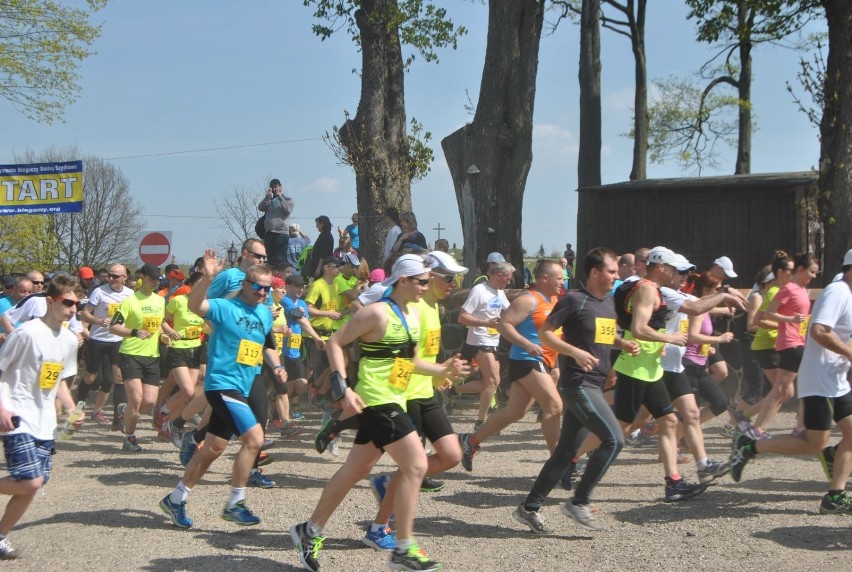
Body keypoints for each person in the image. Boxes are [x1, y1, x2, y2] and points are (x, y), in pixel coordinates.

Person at [290, 254, 468, 572]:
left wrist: (443, 370)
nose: (425, 287)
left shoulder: (411, 314)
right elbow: (335, 342)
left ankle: (309, 530)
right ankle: (403, 548)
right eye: (422, 281)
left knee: (355, 469)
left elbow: (409, 363)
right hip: (376, 399)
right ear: (403, 280)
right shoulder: (376, 313)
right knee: (415, 465)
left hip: (396, 398)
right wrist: (342, 386)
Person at [159, 250, 286, 529]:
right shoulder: (224, 307)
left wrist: (276, 366)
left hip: (245, 383)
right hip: (223, 384)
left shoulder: (265, 314)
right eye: (258, 287)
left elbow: (266, 346)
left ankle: (175, 499)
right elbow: (195, 306)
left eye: (268, 288)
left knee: (213, 449)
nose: (264, 292)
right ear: (245, 285)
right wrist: (207, 277)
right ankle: (235, 503)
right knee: (254, 439)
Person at [514, 248, 637, 533]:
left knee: (565, 452)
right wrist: (575, 353)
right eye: (611, 272)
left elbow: (603, 336)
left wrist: (623, 344)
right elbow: (546, 333)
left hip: (595, 382)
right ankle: (578, 502)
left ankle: (529, 508)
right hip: (577, 383)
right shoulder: (574, 300)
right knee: (614, 439)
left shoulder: (606, 302)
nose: (615, 277)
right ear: (595, 272)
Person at [730, 249, 852, 516]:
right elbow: (819, 331)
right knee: (812, 442)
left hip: (836, 378)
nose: (813, 276)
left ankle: (835, 494)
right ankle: (750, 445)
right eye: (810, 271)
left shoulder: (846, 294)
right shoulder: (838, 292)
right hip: (820, 378)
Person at [362, 251, 468, 551]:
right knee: (412, 466)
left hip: (426, 393)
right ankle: (378, 529)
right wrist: (434, 372)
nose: (453, 283)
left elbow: (427, 354)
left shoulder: (434, 308)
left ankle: (388, 485)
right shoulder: (413, 308)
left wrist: (438, 377)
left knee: (451, 455)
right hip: (405, 395)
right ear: (428, 276)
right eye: (448, 277)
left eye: (455, 278)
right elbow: (403, 358)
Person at [611, 246, 706, 501]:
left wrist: (662, 342)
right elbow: (639, 328)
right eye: (673, 268)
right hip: (635, 366)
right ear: (661, 267)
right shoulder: (645, 288)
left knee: (670, 420)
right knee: (621, 424)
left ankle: (673, 483)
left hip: (650, 367)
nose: (677, 273)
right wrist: (671, 338)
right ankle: (572, 458)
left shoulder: (655, 290)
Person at [0, 276, 85, 559]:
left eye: (77, 304)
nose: (73, 309)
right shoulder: (26, 333)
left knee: (33, 485)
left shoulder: (69, 341)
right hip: (17, 415)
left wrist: (71, 407)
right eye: (68, 302)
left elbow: (58, 378)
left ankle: (0, 536)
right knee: (31, 481)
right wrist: (2, 407)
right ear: (50, 301)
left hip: (45, 422)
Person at [459, 259, 563, 471]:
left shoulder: (553, 300)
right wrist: (526, 344)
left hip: (544, 361)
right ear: (545, 278)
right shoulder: (528, 300)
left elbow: (553, 334)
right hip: (526, 359)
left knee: (515, 411)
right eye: (560, 277)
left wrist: (557, 362)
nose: (563, 281)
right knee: (554, 406)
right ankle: (560, 463)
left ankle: (470, 441)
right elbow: (505, 325)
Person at [109, 263, 165, 452]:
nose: (156, 282)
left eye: (158, 279)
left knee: (148, 402)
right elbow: (113, 327)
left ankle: (125, 412)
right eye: (152, 278)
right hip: (131, 353)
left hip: (152, 355)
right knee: (136, 398)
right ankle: (130, 438)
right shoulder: (130, 301)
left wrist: (165, 335)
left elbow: (159, 323)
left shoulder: (160, 301)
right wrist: (133, 332)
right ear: (142, 278)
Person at [454, 261, 513, 430]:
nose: (509, 282)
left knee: (491, 382)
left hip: (492, 341)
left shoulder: (500, 292)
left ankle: (453, 390)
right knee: (493, 381)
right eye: (507, 279)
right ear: (497, 276)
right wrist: (487, 323)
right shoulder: (479, 290)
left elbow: (509, 312)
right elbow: (462, 317)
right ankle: (480, 422)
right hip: (480, 340)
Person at [76, 264, 133, 429]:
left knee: (116, 378)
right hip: (97, 339)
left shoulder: (130, 295)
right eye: (110, 275)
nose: (112, 278)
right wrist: (98, 321)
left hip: (117, 341)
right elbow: (85, 313)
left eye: (116, 276)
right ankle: (77, 409)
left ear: (124, 278)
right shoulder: (99, 291)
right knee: (91, 378)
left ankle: (118, 418)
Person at [258, 178, 294, 267]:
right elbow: (260, 207)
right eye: (272, 187)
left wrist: (280, 197)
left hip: (281, 234)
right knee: (271, 260)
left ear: (280, 187)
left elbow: (288, 209)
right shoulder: (270, 201)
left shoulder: (287, 199)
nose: (274, 189)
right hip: (269, 233)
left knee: (281, 260)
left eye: (276, 187)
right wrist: (267, 196)